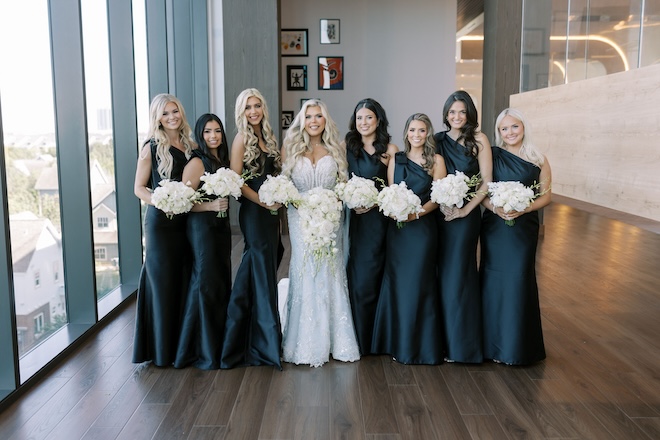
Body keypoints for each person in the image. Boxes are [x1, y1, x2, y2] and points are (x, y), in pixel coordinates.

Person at [280, 99, 360, 367]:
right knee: (304, 271)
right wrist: (300, 205)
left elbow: (343, 185)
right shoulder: (289, 149)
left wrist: (332, 206)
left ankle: (336, 340)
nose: (314, 121)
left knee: (329, 271)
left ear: (326, 120)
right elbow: (285, 187)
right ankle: (303, 341)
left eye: (319, 116)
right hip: (300, 219)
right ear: (302, 121)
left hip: (330, 219)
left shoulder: (338, 148)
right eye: (309, 116)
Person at [372, 113, 447, 364]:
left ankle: (421, 348)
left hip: (422, 229)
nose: (416, 135)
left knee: (420, 284)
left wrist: (415, 214)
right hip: (398, 231)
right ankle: (398, 344)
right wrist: (397, 212)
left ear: (428, 133)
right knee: (399, 285)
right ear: (406, 132)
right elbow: (393, 192)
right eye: (412, 130)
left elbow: (437, 198)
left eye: (422, 131)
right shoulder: (397, 159)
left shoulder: (436, 160)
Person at [480, 107, 552, 365]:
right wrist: (495, 208)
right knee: (492, 280)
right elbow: (483, 190)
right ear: (498, 132)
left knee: (520, 280)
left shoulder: (538, 159)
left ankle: (518, 347)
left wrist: (524, 208)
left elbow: (546, 196)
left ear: (523, 127)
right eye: (504, 128)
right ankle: (490, 346)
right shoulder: (493, 155)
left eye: (514, 127)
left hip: (523, 228)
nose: (509, 132)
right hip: (495, 226)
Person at [220, 88, 283, 369]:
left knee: (262, 265)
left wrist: (279, 198)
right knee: (260, 265)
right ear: (241, 111)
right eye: (248, 107)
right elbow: (236, 181)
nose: (254, 111)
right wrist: (263, 202)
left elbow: (278, 173)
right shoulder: (241, 139)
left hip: (271, 212)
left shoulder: (268, 137)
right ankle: (266, 345)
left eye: (257, 105)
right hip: (255, 211)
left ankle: (239, 339)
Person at [132, 93, 195, 367]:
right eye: (165, 113)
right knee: (161, 283)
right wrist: (162, 200)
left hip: (185, 222)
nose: (172, 117)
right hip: (160, 224)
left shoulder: (189, 144)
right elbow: (138, 188)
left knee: (182, 278)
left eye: (175, 112)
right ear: (157, 117)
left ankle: (181, 346)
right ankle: (160, 351)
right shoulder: (151, 146)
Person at [433, 91, 492, 363]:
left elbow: (486, 183)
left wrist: (466, 210)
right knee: (440, 275)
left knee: (459, 275)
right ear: (446, 114)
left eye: (462, 112)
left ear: (469, 114)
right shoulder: (437, 141)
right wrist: (440, 204)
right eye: (452, 112)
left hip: (466, 217)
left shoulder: (479, 139)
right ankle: (439, 342)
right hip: (440, 216)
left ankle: (462, 346)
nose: (456, 117)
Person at [174, 113, 232, 369]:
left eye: (217, 131)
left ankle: (217, 344)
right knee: (204, 285)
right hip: (202, 229)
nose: (213, 136)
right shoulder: (197, 162)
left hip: (220, 228)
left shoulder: (221, 159)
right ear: (200, 134)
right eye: (208, 131)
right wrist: (209, 206)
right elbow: (181, 202)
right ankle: (198, 351)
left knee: (219, 282)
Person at [343, 98, 399, 355]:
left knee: (378, 274)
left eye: (368, 117)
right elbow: (340, 182)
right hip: (356, 219)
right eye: (359, 118)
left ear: (378, 120)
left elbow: (393, 189)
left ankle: (380, 339)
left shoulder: (389, 149)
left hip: (379, 221)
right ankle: (359, 337)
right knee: (358, 274)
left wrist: (374, 201)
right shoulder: (347, 146)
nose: (363, 122)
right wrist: (351, 199)